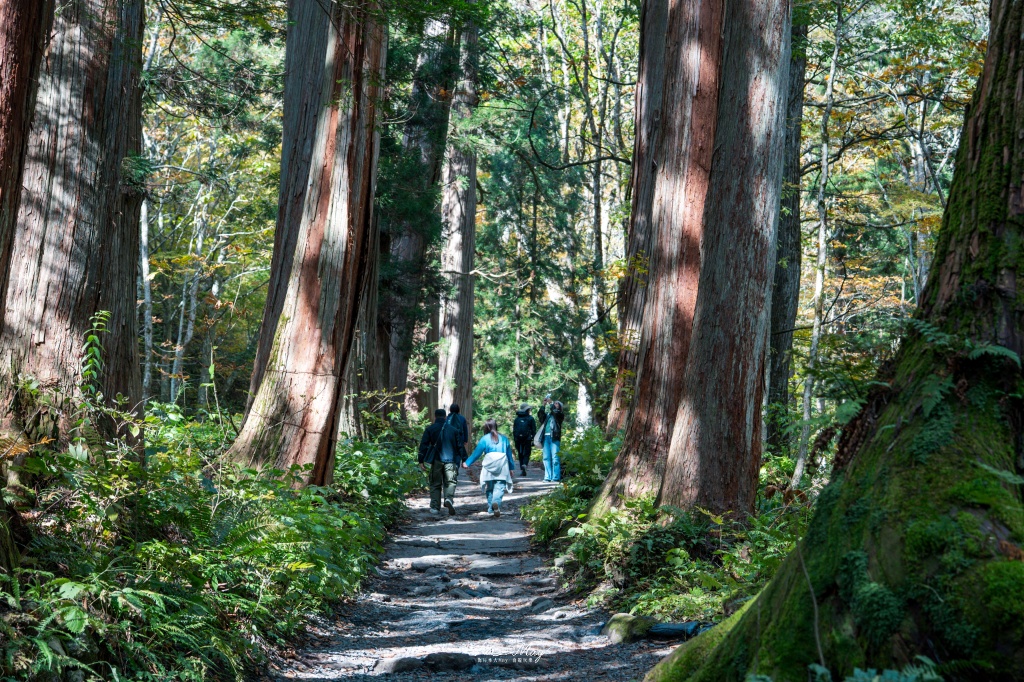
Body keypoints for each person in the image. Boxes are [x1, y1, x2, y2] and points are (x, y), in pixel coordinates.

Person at [463, 419, 516, 517]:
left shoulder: (484, 439)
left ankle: (491, 508)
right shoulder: (504, 439)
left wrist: (467, 463)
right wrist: (511, 468)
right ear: (496, 426)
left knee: (490, 487)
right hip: (502, 465)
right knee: (500, 487)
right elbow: (509, 455)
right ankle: (495, 503)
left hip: (489, 465)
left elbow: (477, 453)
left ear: (486, 427)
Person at [418, 408, 464, 516]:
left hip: (436, 460)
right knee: (451, 482)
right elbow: (460, 446)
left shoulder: (430, 429)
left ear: (435, 417)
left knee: (435, 483)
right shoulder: (453, 430)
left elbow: (423, 445)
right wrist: (464, 460)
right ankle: (448, 499)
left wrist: (421, 460)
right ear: (445, 417)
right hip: (450, 460)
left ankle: (435, 507)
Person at [537, 398, 565, 482]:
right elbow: (540, 416)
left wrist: (551, 403)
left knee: (555, 457)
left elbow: (555, 412)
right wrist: (543, 405)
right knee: (546, 458)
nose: (555, 404)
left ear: (560, 407)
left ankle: (556, 477)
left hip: (554, 437)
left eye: (557, 404)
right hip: (545, 437)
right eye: (554, 403)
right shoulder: (548, 415)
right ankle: (547, 477)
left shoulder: (559, 415)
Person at [512, 404, 537, 476]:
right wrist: (533, 439)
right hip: (527, 438)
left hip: (518, 438)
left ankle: (521, 467)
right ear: (527, 410)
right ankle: (525, 464)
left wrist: (515, 439)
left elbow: (514, 430)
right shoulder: (530, 418)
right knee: (527, 453)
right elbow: (533, 430)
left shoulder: (517, 419)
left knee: (520, 453)